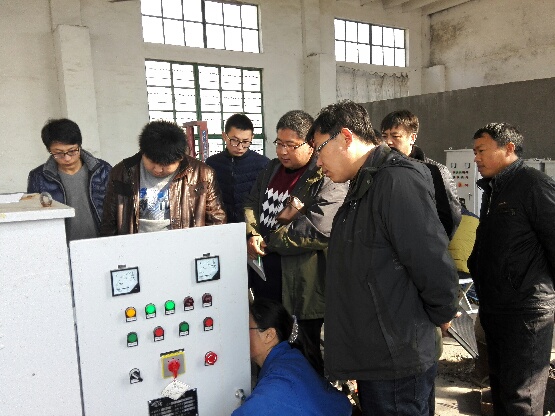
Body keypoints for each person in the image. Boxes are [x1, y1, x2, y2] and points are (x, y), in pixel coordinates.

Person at [308, 100, 458, 416]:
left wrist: (443, 311)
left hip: (395, 356)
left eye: (319, 149)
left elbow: (430, 258)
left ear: (345, 137)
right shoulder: (364, 182)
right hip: (377, 350)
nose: (317, 162)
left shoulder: (395, 180)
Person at [244, 110, 348, 373]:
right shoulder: (271, 169)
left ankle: (308, 391)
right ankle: (274, 384)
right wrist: (252, 233)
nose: (283, 151)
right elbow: (251, 203)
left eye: (291, 145)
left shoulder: (324, 176)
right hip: (264, 277)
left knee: (304, 349)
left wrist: (269, 242)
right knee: (269, 343)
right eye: (279, 143)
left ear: (310, 144)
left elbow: (318, 229)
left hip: (301, 285)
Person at [468, 122, 555, 415]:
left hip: (526, 311)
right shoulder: (493, 189)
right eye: (474, 152)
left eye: (482, 151)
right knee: (501, 391)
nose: (476, 158)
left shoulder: (534, 185)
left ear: (508, 148)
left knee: (521, 398)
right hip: (496, 307)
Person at [100, 120, 226, 235]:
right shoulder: (122, 172)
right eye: (152, 162)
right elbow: (109, 221)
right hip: (135, 246)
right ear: (143, 152)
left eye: (165, 165)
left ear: (180, 158)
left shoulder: (202, 174)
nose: (157, 170)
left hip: (184, 245)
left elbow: (216, 219)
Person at [231, 297, 352, 416]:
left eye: (246, 329)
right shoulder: (291, 358)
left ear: (269, 335)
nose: (238, 335)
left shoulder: (278, 381)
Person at [381, 110, 461, 239]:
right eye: (384, 136)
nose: (388, 142)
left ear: (412, 138)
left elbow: (449, 219)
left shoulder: (435, 172)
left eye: (395, 136)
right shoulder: (377, 170)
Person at [27, 118, 112, 241]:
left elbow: (117, 210)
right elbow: (34, 219)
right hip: (60, 246)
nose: (67, 158)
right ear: (49, 150)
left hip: (101, 243)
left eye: (72, 151)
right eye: (58, 153)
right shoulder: (38, 177)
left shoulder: (103, 170)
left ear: (79, 146)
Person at [205, 114, 269, 223]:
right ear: (224, 136)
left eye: (245, 142)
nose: (240, 147)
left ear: (252, 138)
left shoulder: (263, 164)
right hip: (222, 225)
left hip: (253, 226)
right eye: (234, 140)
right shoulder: (212, 164)